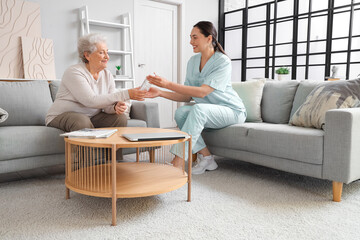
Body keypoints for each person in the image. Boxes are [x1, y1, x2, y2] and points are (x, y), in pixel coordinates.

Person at [145, 21, 246, 174]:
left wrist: (167, 84)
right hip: (208, 111)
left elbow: (202, 92)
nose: (191, 42)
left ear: (209, 38)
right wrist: (160, 92)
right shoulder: (192, 62)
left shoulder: (222, 61)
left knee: (198, 109)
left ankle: (177, 163)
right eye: (190, 38)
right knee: (181, 113)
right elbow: (187, 96)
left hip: (232, 111)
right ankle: (207, 158)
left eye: (195, 37)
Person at [46, 33, 146, 133]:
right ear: (87, 55)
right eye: (101, 53)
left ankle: (112, 149)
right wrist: (127, 94)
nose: (107, 57)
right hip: (61, 116)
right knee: (81, 121)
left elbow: (106, 106)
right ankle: (90, 149)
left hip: (91, 117)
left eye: (107, 52)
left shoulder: (108, 75)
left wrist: (115, 107)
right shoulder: (74, 72)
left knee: (119, 118)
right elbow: (90, 100)